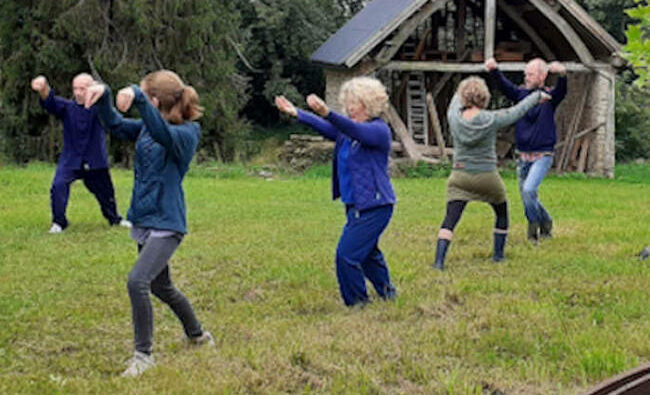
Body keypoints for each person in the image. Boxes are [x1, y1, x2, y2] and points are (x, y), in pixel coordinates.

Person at [85, 70, 213, 377]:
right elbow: (115, 124)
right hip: (144, 217)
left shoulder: (187, 133)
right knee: (161, 286)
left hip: (168, 222)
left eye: (146, 95)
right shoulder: (147, 126)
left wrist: (136, 96)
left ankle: (143, 355)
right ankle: (197, 335)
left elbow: (162, 134)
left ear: (154, 100)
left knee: (137, 281)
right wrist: (103, 95)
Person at [275, 76, 397, 307]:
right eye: (348, 102)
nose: (350, 107)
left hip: (375, 205)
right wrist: (297, 113)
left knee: (347, 255)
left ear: (369, 104)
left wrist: (327, 112)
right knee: (369, 253)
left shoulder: (379, 131)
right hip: (356, 204)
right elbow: (327, 128)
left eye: (356, 102)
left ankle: (358, 303)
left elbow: (347, 127)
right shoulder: (347, 134)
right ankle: (388, 294)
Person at [433, 76, 550, 270]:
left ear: (463, 97)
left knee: (450, 219)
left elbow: (455, 101)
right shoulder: (491, 119)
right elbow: (516, 111)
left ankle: (439, 261)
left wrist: (464, 87)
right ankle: (498, 256)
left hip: (460, 176)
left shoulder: (454, 117)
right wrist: (537, 96)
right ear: (484, 98)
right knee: (501, 212)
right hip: (487, 177)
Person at [31, 73, 129, 233]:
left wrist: (103, 91)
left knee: (106, 193)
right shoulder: (67, 108)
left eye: (82, 89)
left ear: (92, 89)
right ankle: (59, 223)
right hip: (71, 159)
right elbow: (50, 102)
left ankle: (115, 220)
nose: (78, 92)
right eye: (75, 88)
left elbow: (113, 113)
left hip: (95, 160)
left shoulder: (102, 110)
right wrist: (43, 88)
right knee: (58, 186)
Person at [485, 57, 567, 242]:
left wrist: (562, 74)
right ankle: (546, 222)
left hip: (542, 155)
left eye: (530, 74)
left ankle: (533, 231)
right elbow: (505, 86)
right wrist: (494, 70)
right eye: (526, 74)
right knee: (528, 198)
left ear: (542, 76)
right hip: (522, 155)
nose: (527, 77)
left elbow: (562, 90)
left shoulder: (549, 98)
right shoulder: (521, 95)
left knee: (529, 191)